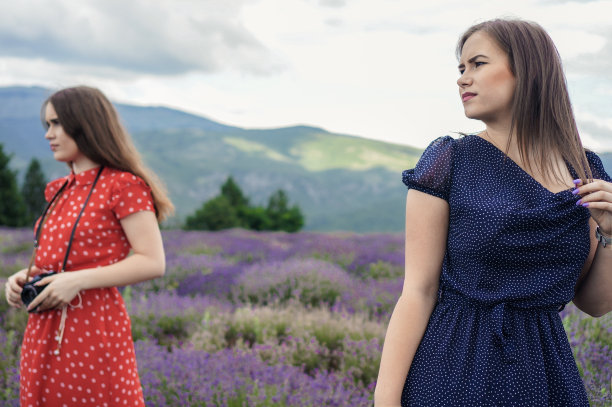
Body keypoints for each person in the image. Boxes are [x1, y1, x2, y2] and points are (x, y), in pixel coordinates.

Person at [374, 18, 612, 406]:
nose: (462, 79)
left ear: (528, 70)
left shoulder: (583, 171)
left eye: (477, 64)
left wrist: (611, 235)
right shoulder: (449, 160)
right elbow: (418, 290)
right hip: (453, 365)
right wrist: (386, 399)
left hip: (545, 371)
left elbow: (597, 303)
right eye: (461, 68)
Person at [4, 86, 174, 406]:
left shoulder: (124, 185)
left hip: (93, 325)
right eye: (46, 125)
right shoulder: (59, 190)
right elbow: (59, 261)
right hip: (44, 326)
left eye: (56, 124)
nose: (48, 135)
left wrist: (78, 280)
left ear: (84, 124)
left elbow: (153, 261)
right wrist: (24, 277)